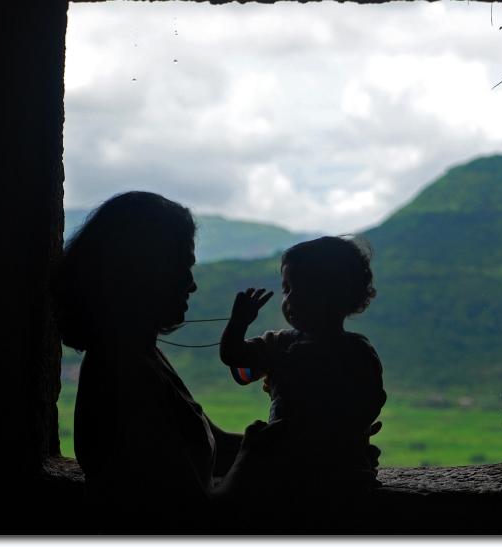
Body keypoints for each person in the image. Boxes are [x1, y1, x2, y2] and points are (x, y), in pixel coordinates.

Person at [58, 192, 379, 533]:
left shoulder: (142, 357)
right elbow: (193, 522)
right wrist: (255, 461)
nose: (191, 283)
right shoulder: (126, 378)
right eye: (179, 266)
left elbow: (217, 445)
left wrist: (322, 446)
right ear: (138, 269)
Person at [219, 236, 387, 495]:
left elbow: (368, 402)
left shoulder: (355, 351)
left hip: (337, 476)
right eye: (287, 289)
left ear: (343, 295)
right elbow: (234, 356)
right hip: (317, 472)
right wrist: (238, 324)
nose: (292, 298)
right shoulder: (277, 343)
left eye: (307, 289)